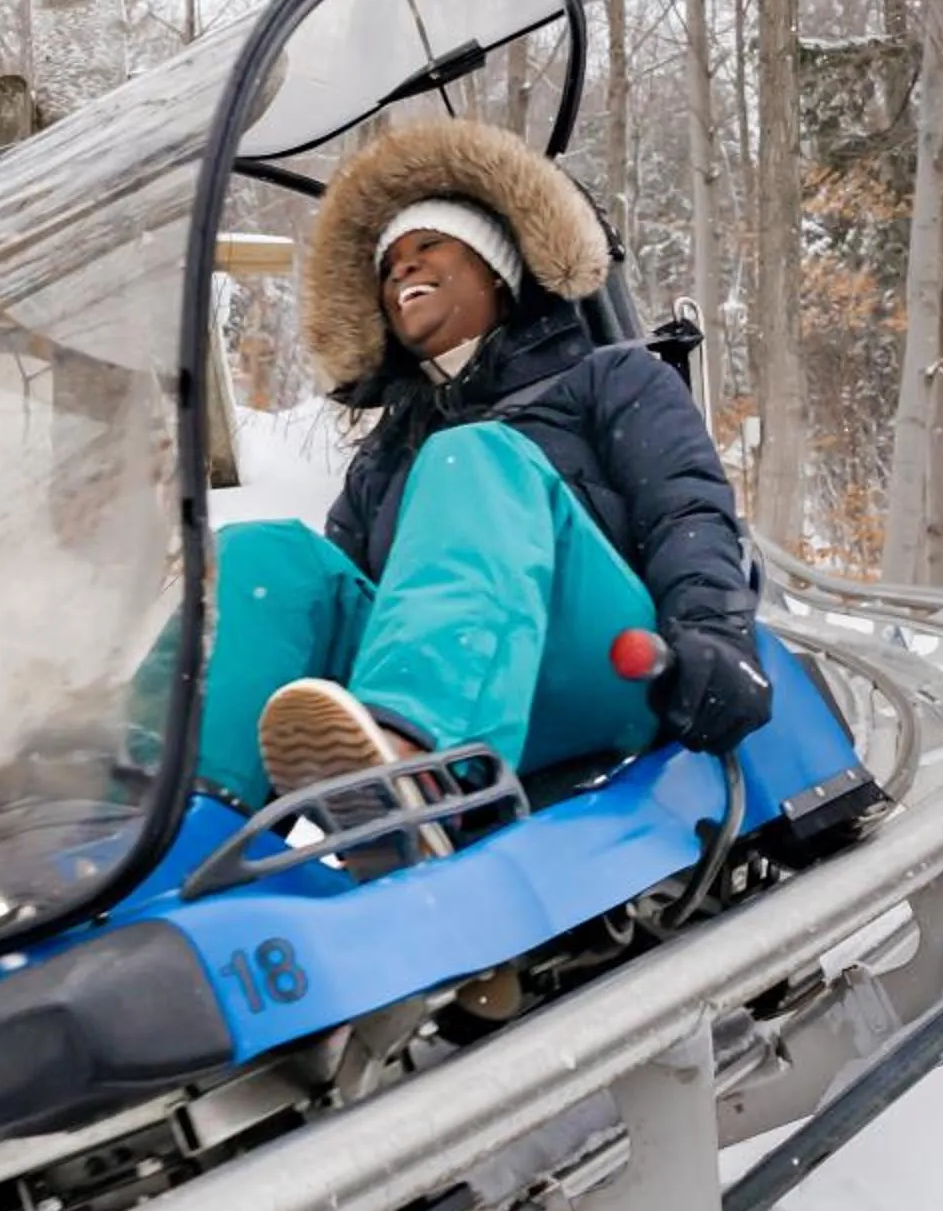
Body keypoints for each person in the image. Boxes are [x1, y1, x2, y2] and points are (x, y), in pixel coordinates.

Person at [202, 116, 773, 814]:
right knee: (268, 557)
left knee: (469, 455)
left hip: (607, 662)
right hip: (451, 683)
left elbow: (686, 513)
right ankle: (179, 813)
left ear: (496, 270)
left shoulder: (610, 379)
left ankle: (418, 758)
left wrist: (716, 633)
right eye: (388, 265)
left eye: (427, 245)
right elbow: (338, 600)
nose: (402, 268)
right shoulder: (384, 459)